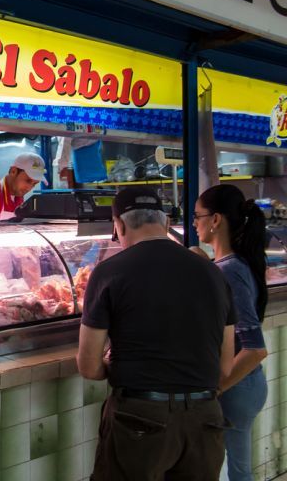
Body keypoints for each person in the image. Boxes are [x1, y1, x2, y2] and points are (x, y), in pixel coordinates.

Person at [77, 186, 236, 481]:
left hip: (140, 420)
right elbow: (225, 365)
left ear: (119, 225)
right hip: (205, 420)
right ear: (165, 223)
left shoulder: (110, 272)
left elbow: (88, 366)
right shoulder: (213, 273)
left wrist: (111, 364)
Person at [191, 184, 269, 481]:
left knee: (233, 472)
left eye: (198, 216)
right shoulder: (229, 266)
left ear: (216, 220)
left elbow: (255, 348)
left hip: (238, 384)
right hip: (245, 384)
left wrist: (216, 390)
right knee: (234, 468)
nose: (194, 223)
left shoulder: (231, 270)